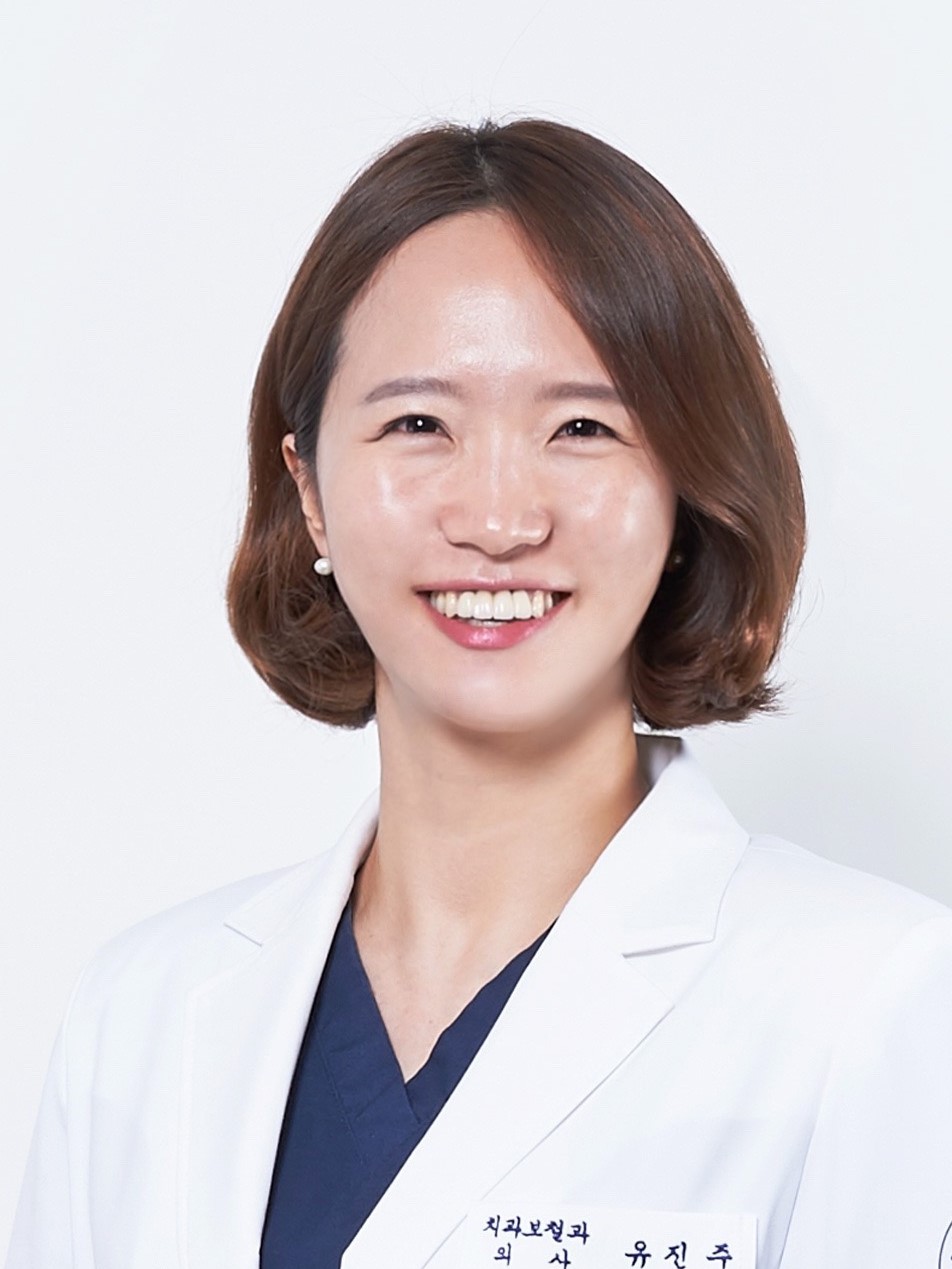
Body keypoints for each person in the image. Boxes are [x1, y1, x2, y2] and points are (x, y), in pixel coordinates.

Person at [6, 118, 952, 1269]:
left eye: (583, 427)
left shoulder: (871, 1004)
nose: (499, 521)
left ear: (684, 491)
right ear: (309, 490)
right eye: (418, 424)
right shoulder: (141, 1019)